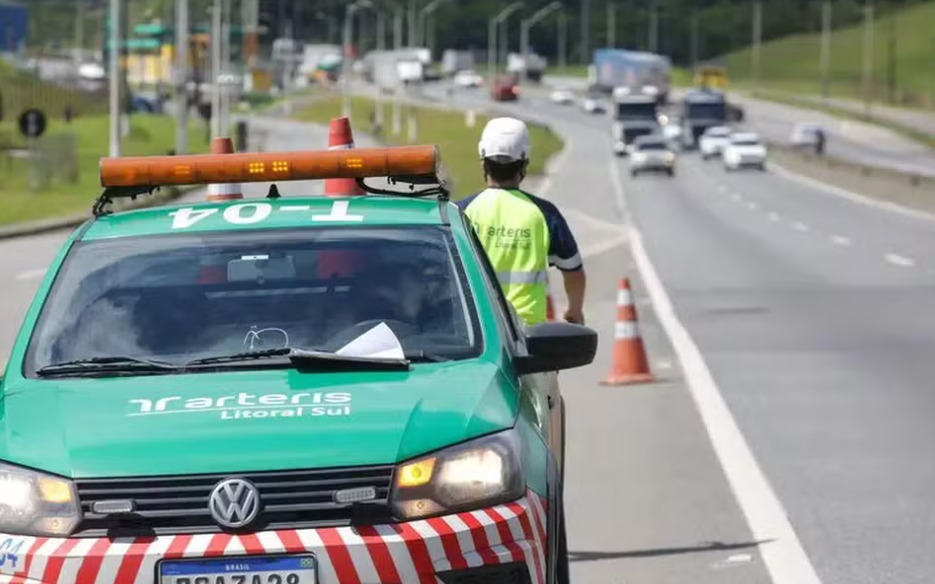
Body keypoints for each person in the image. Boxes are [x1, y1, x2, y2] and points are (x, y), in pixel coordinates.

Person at [457, 117, 586, 326]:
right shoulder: (544, 214)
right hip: (528, 336)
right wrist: (574, 311)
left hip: (476, 331)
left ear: (482, 159)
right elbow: (574, 272)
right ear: (524, 163)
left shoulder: (460, 212)